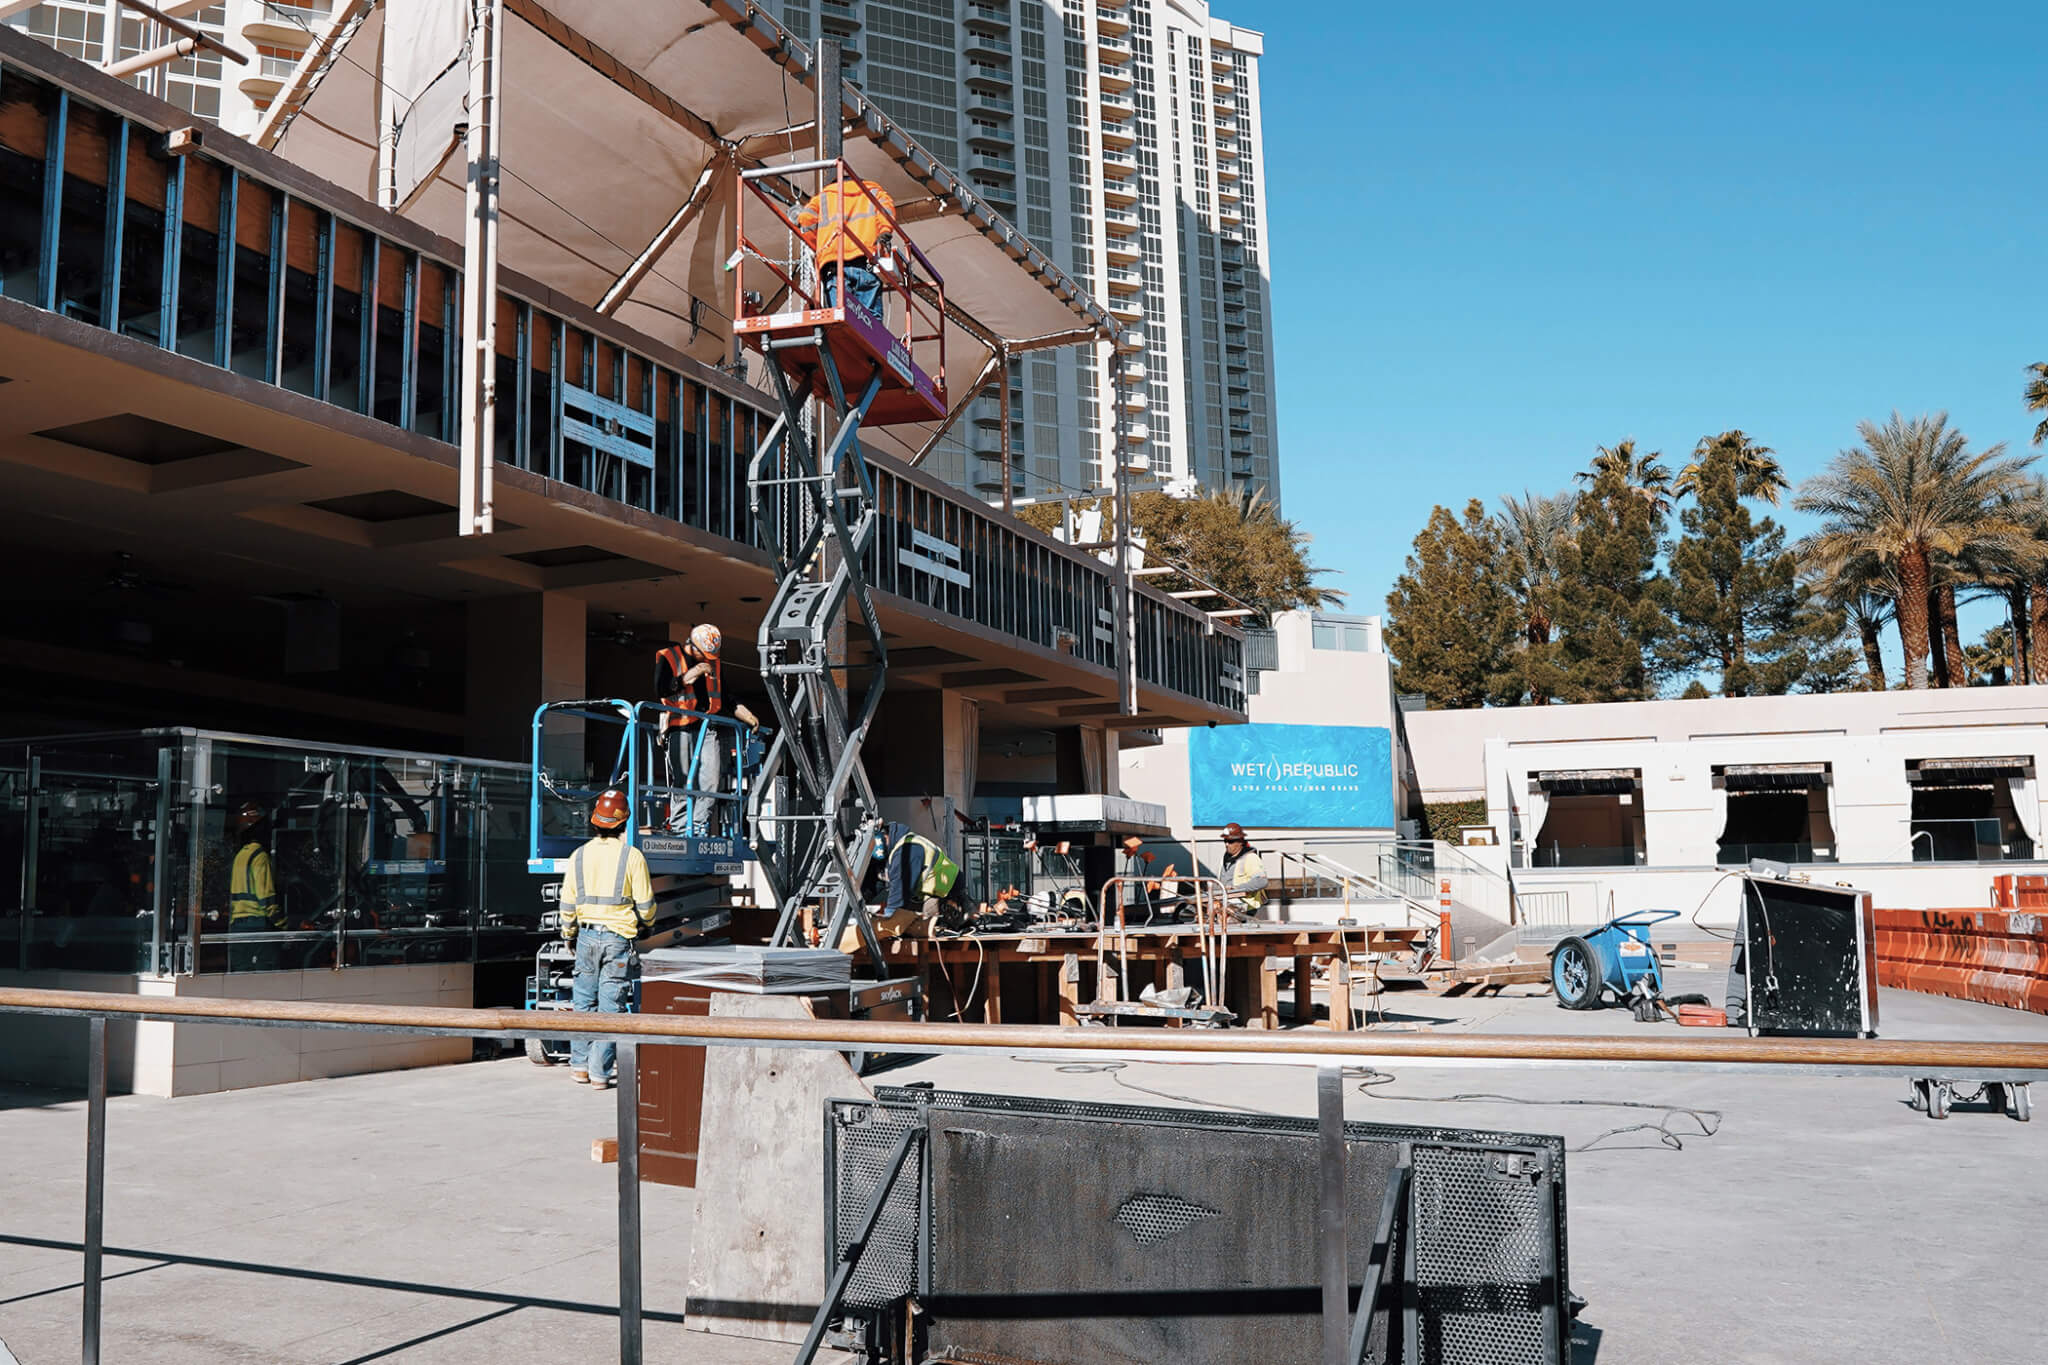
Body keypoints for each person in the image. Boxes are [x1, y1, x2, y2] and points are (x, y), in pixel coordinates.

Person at [559, 789, 654, 1090]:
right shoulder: (632, 857)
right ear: (624, 822)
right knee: (610, 1007)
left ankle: (579, 1066)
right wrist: (648, 925)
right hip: (617, 939)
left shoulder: (579, 855)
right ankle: (600, 1073)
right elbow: (646, 904)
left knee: (583, 1003)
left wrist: (569, 934)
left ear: (595, 822)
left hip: (586, 936)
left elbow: (567, 904)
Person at [794, 174, 895, 319]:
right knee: (870, 322)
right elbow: (887, 210)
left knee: (839, 320)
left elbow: (805, 219)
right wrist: (885, 231)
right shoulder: (873, 192)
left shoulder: (823, 197)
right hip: (866, 262)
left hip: (835, 265)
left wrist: (820, 245)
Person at [656, 625, 723, 835]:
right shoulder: (669, 656)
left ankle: (698, 825)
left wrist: (746, 715)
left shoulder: (713, 662)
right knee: (683, 779)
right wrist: (689, 675)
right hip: (680, 725)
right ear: (692, 645)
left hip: (706, 726)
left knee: (711, 780)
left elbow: (724, 695)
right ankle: (679, 826)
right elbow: (661, 688)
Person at [227, 801, 284, 970]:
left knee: (241, 974)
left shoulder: (240, 856)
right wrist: (284, 926)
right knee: (265, 974)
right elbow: (266, 900)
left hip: (237, 928)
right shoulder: (260, 856)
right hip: (257, 926)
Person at [1218, 822, 1268, 918]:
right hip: (1229, 903)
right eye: (1225, 841)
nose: (1227, 844)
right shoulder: (1225, 859)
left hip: (1246, 906)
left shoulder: (1250, 858)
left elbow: (1262, 881)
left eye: (1230, 842)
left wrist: (1236, 888)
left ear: (1240, 842)